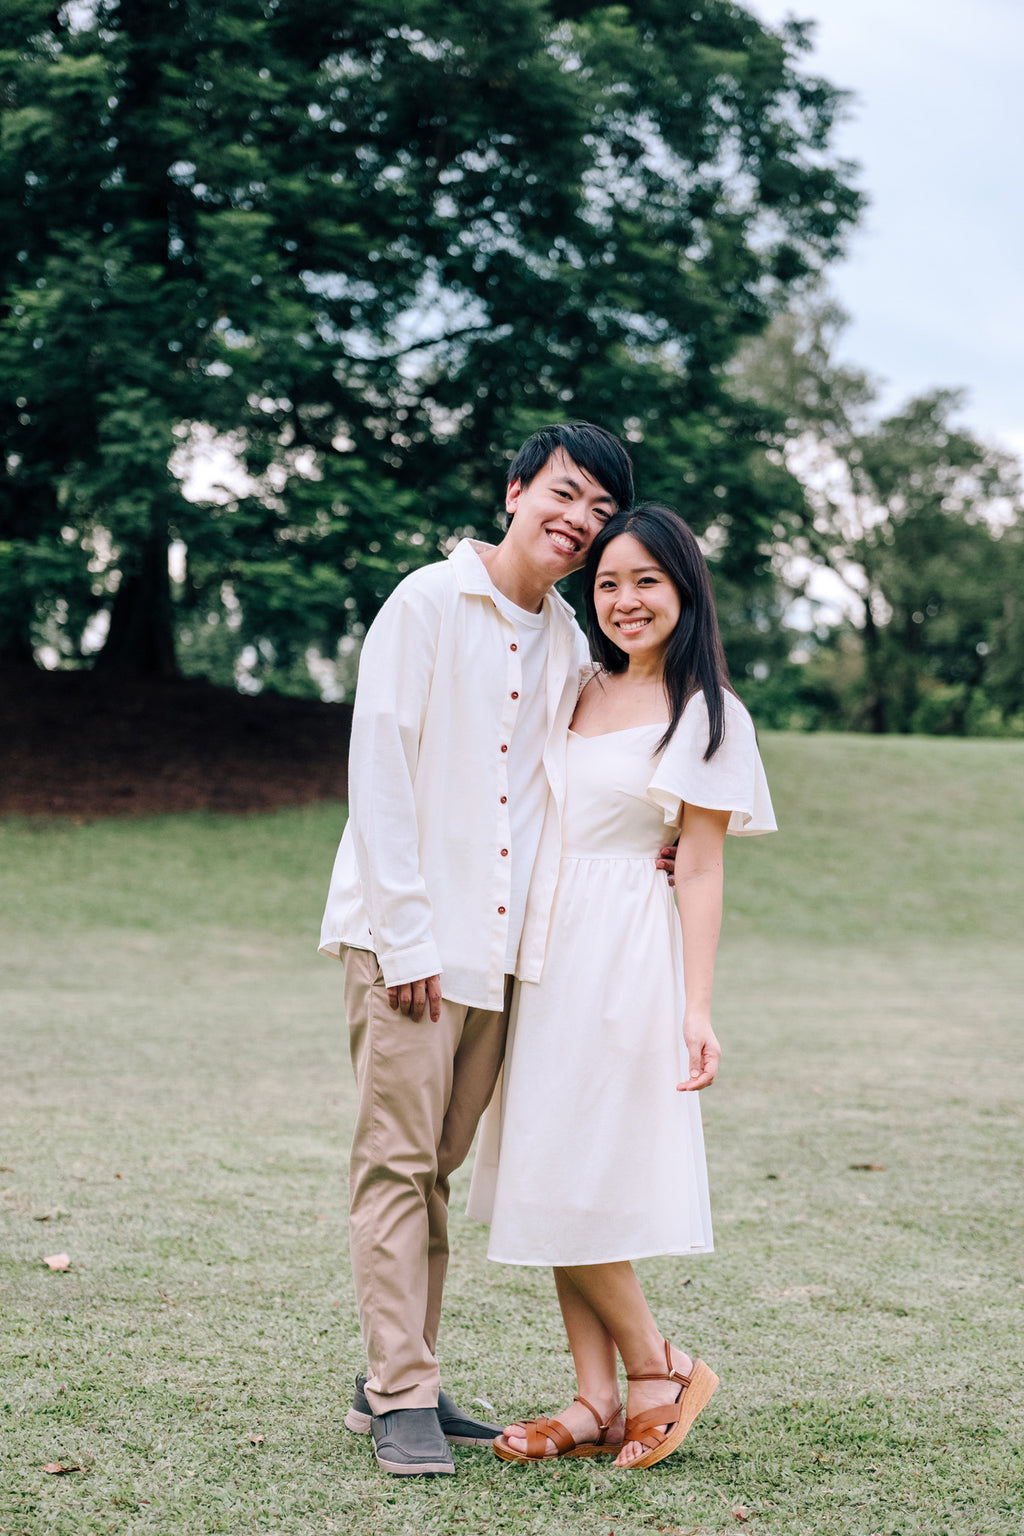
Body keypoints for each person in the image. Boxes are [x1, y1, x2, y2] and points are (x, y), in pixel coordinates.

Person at [319, 423, 653, 1477]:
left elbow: (573, 787)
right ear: (514, 490)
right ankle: (403, 1395)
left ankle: (394, 1374)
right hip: (407, 946)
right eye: (565, 494)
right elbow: (381, 770)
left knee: (439, 1170)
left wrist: (666, 850)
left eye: (601, 512)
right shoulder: (424, 602)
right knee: (397, 1166)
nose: (580, 522)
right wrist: (407, 934)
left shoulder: (565, 640)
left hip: (503, 958)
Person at [466, 503, 777, 1470]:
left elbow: (704, 867)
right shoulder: (575, 684)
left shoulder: (709, 715)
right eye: (607, 582)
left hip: (625, 957)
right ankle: (595, 1397)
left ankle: (659, 1369)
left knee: (576, 1168)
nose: (625, 600)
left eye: (646, 580)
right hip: (545, 950)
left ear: (684, 589)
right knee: (551, 1165)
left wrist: (695, 1007)